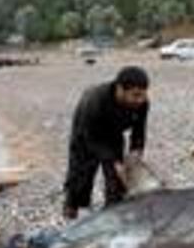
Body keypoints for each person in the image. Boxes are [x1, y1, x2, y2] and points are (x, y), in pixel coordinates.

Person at [63, 66, 150, 219]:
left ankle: (113, 212)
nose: (140, 100)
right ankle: (72, 206)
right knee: (81, 173)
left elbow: (139, 131)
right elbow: (92, 138)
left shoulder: (142, 103)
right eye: (135, 95)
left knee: (117, 180)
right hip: (87, 132)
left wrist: (135, 155)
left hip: (114, 133)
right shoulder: (95, 100)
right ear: (120, 89)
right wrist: (114, 161)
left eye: (143, 95)